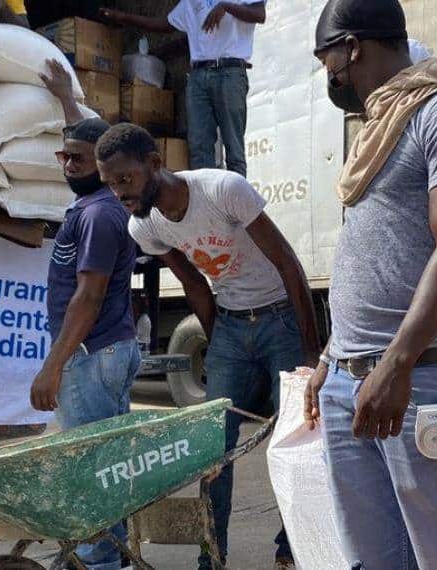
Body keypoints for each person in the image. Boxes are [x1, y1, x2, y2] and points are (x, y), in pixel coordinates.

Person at [304, 0, 437, 567]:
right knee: (375, 556)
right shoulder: (378, 129)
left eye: (327, 60)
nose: (328, 75)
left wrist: (396, 364)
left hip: (420, 379)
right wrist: (329, 357)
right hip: (349, 380)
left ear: (353, 46)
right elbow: (372, 257)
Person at [95, 123, 319, 570]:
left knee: (296, 440)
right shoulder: (146, 228)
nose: (119, 192)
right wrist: (220, 344)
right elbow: (194, 284)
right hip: (231, 327)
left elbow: (289, 264)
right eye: (110, 185)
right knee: (213, 449)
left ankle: (291, 548)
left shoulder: (222, 190)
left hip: (281, 319)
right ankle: (210, 554)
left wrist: (312, 354)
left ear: (154, 165)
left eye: (126, 179)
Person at [29, 62, 136, 570]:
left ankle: (98, 564)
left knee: (91, 468)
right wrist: (66, 99)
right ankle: (105, 557)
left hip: (91, 356)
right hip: (102, 351)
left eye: (77, 158)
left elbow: (87, 297)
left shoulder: (97, 214)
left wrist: (53, 364)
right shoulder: (96, 206)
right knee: (109, 465)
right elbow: (88, 129)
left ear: (99, 164)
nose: (68, 165)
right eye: (62, 156)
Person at [100, 1, 266, 176]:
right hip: (198, 76)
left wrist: (226, 7)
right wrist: (124, 17)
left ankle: (237, 201)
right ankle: (207, 201)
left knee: (234, 147)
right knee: (199, 147)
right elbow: (164, 24)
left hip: (229, 71)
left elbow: (259, 15)